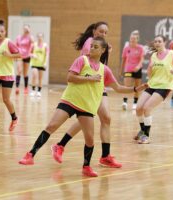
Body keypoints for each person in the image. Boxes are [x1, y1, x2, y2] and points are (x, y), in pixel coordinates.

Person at [19, 37, 147, 177]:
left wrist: (135, 89)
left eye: (96, 47)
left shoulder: (105, 70)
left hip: (87, 107)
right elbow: (70, 78)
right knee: (51, 126)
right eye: (91, 46)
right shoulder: (81, 60)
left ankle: (86, 167)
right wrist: (89, 78)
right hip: (70, 101)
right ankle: (30, 155)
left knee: (90, 139)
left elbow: (118, 88)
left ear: (103, 50)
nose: (91, 48)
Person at [51, 22, 121, 168]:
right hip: (88, 86)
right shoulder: (91, 43)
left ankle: (104, 156)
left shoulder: (100, 45)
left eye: (106, 33)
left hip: (97, 85)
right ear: (94, 31)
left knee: (104, 118)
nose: (103, 34)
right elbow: (87, 64)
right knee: (92, 118)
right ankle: (61, 145)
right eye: (101, 31)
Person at [134, 35, 173, 144]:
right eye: (155, 41)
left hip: (164, 86)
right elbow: (150, 73)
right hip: (152, 84)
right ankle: (142, 130)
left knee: (147, 108)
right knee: (138, 108)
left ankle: (146, 136)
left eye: (159, 41)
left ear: (164, 42)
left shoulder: (171, 54)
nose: (157, 43)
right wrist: (150, 69)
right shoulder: (153, 56)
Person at [121, 31, 145, 110]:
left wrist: (138, 66)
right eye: (131, 38)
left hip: (137, 70)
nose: (132, 40)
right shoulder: (126, 48)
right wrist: (122, 70)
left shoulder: (140, 48)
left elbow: (142, 59)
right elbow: (123, 60)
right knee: (126, 86)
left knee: (137, 87)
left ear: (137, 40)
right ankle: (124, 102)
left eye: (134, 39)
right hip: (128, 70)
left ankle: (135, 103)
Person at [14, 24, 34, 94]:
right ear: (23, 29)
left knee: (25, 73)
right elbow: (15, 46)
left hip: (27, 56)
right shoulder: (19, 37)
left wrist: (29, 33)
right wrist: (15, 55)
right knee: (19, 71)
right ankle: (17, 87)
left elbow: (33, 42)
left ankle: (26, 87)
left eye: (27, 29)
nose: (26, 30)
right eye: (25, 29)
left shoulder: (30, 37)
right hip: (19, 56)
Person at [29, 33, 49, 97]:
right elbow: (29, 53)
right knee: (34, 75)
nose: (40, 38)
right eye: (38, 37)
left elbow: (47, 55)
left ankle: (39, 91)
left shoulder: (45, 46)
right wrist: (32, 55)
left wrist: (45, 62)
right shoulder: (33, 45)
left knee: (40, 78)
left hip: (41, 64)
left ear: (43, 37)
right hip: (34, 64)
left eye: (41, 37)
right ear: (37, 37)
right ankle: (33, 90)